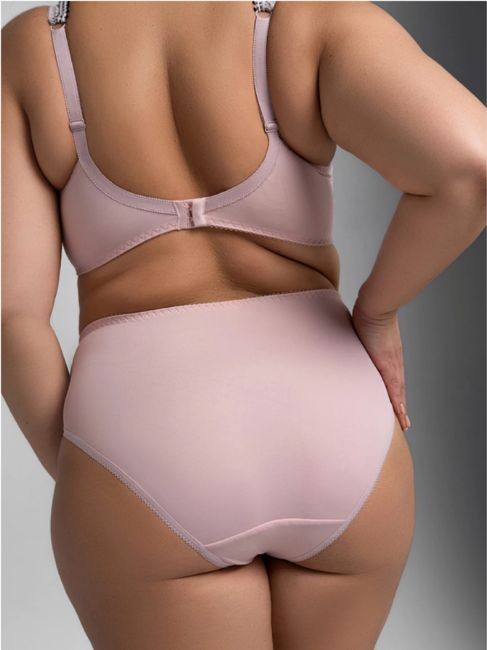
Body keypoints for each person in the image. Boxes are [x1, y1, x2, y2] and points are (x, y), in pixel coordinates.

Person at [2, 1, 485, 648]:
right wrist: (377, 312)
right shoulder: (305, 20)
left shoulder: (34, 49)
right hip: (339, 430)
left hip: (150, 431)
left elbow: (12, 318)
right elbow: (469, 166)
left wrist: (96, 479)